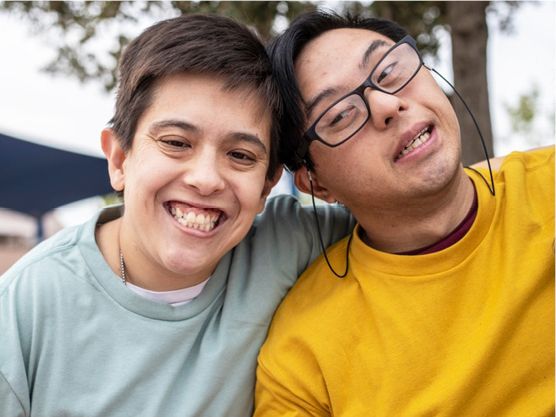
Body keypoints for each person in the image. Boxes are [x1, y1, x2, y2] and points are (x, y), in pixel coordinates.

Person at [0, 14, 355, 417]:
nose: (205, 180)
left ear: (267, 184)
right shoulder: (22, 311)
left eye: (240, 155)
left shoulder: (298, 243)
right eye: (175, 143)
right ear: (119, 159)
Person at [255, 11, 554, 416]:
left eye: (390, 70)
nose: (387, 105)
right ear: (315, 184)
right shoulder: (303, 356)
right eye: (340, 114)